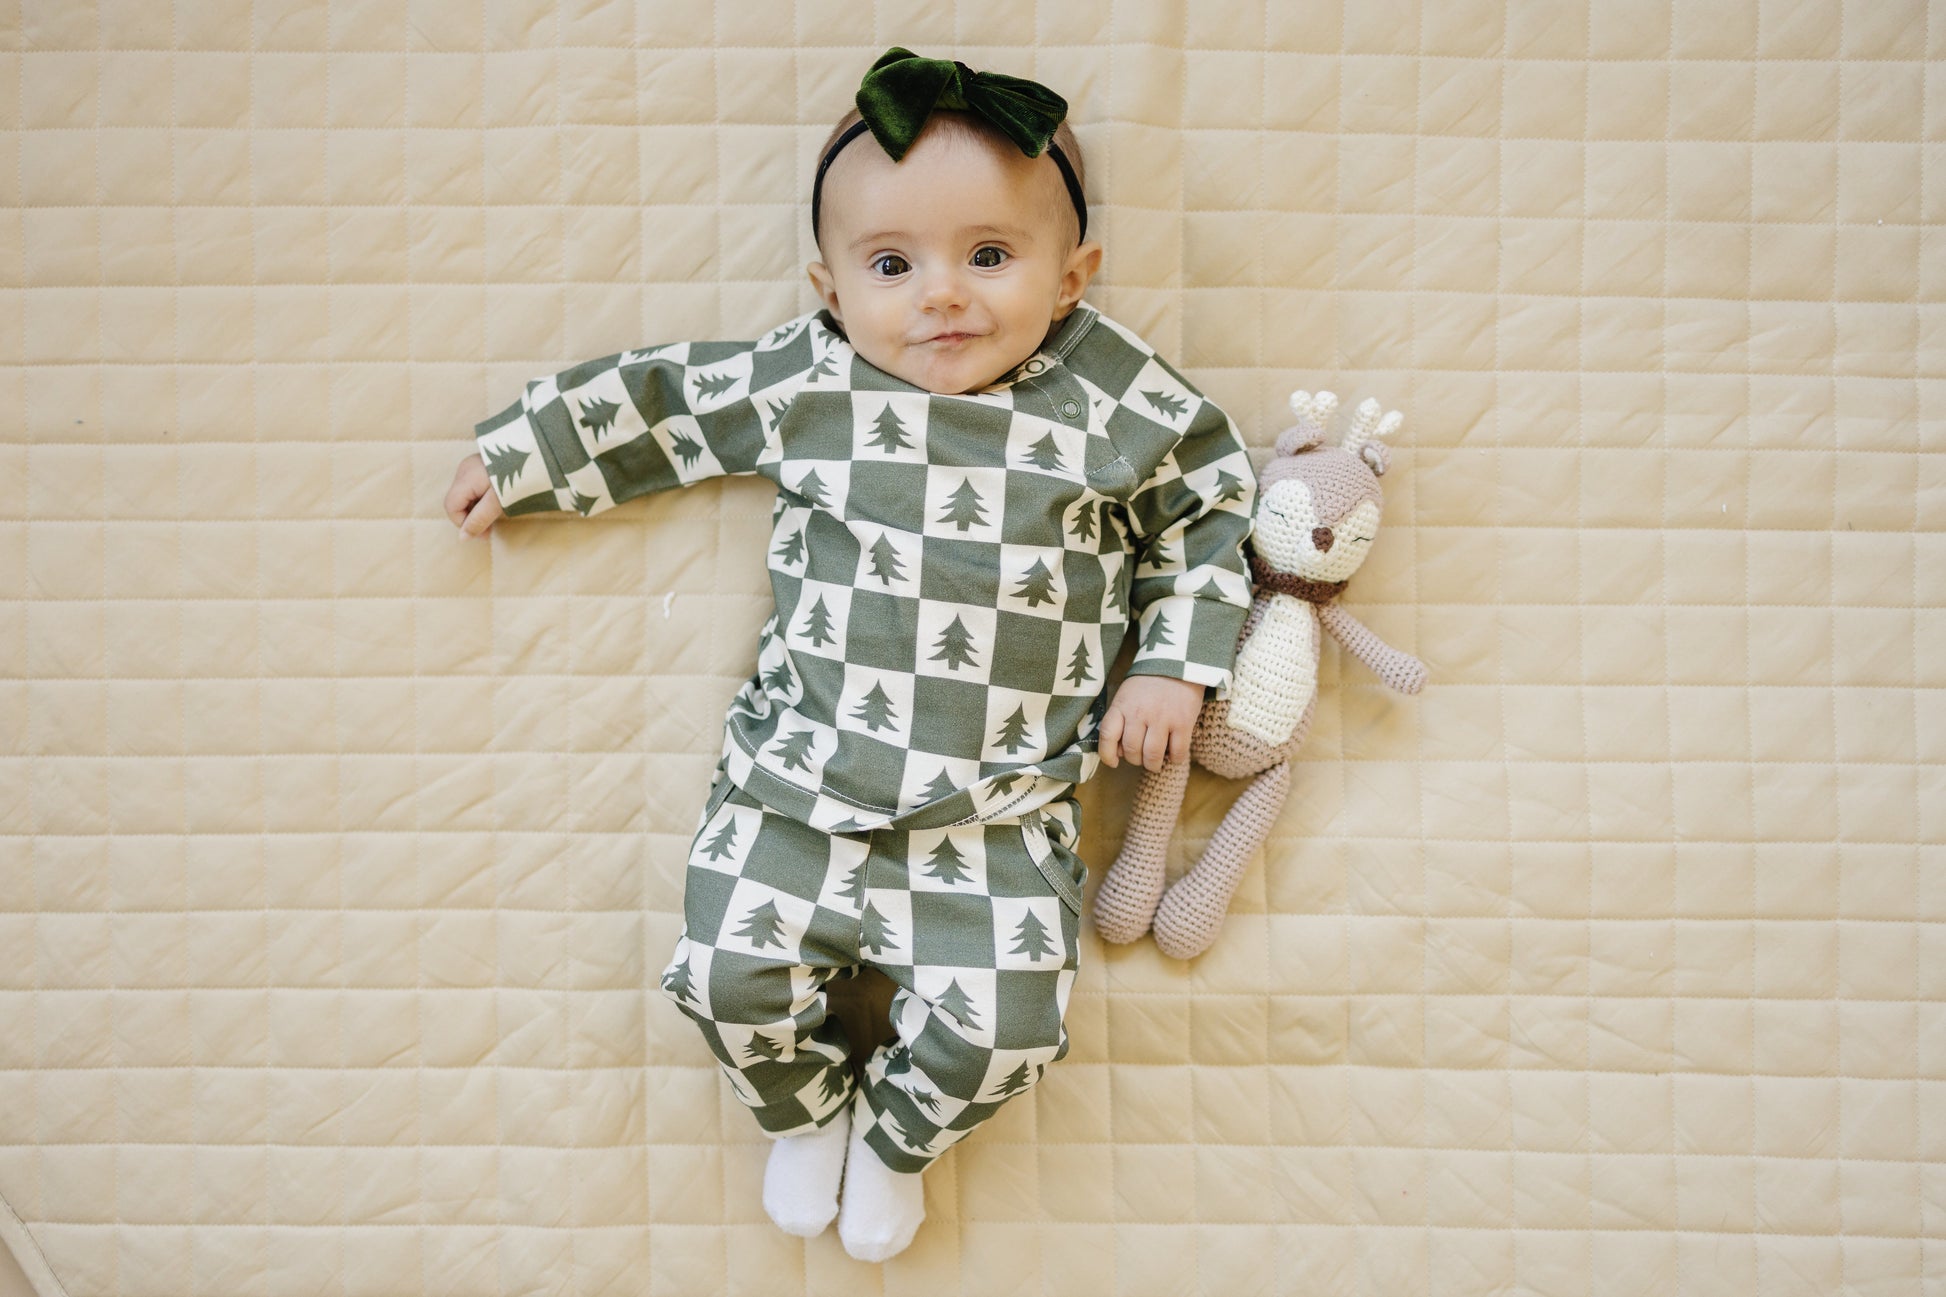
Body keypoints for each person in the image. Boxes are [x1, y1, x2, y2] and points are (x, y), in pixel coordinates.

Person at [441, 48, 1257, 1262]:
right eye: (891, 265)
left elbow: (1210, 502)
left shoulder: (1114, 397)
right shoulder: (813, 375)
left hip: (995, 813)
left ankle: (898, 1138)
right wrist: (529, 453)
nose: (941, 296)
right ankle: (805, 1106)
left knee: (1010, 1028)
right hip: (798, 789)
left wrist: (1172, 661)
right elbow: (676, 400)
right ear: (829, 290)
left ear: (1072, 276)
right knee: (720, 978)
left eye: (990, 255)